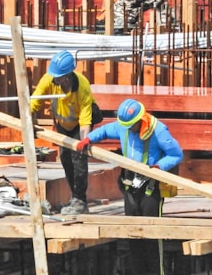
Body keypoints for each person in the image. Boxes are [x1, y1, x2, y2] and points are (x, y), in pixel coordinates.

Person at [76, 98, 183, 275]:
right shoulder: (122, 126)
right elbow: (104, 131)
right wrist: (88, 139)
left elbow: (176, 154)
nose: (128, 129)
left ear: (140, 120)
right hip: (130, 184)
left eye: (131, 126)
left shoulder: (158, 131)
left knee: (152, 236)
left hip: (151, 184)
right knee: (133, 234)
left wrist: (159, 167)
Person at [30, 50, 100, 215]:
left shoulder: (82, 87)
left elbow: (85, 119)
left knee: (79, 160)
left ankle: (80, 201)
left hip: (79, 126)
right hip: (63, 124)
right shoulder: (49, 79)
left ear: (67, 76)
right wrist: (28, 122)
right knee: (65, 159)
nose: (54, 79)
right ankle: (73, 197)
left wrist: (84, 142)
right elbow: (34, 102)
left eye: (58, 76)